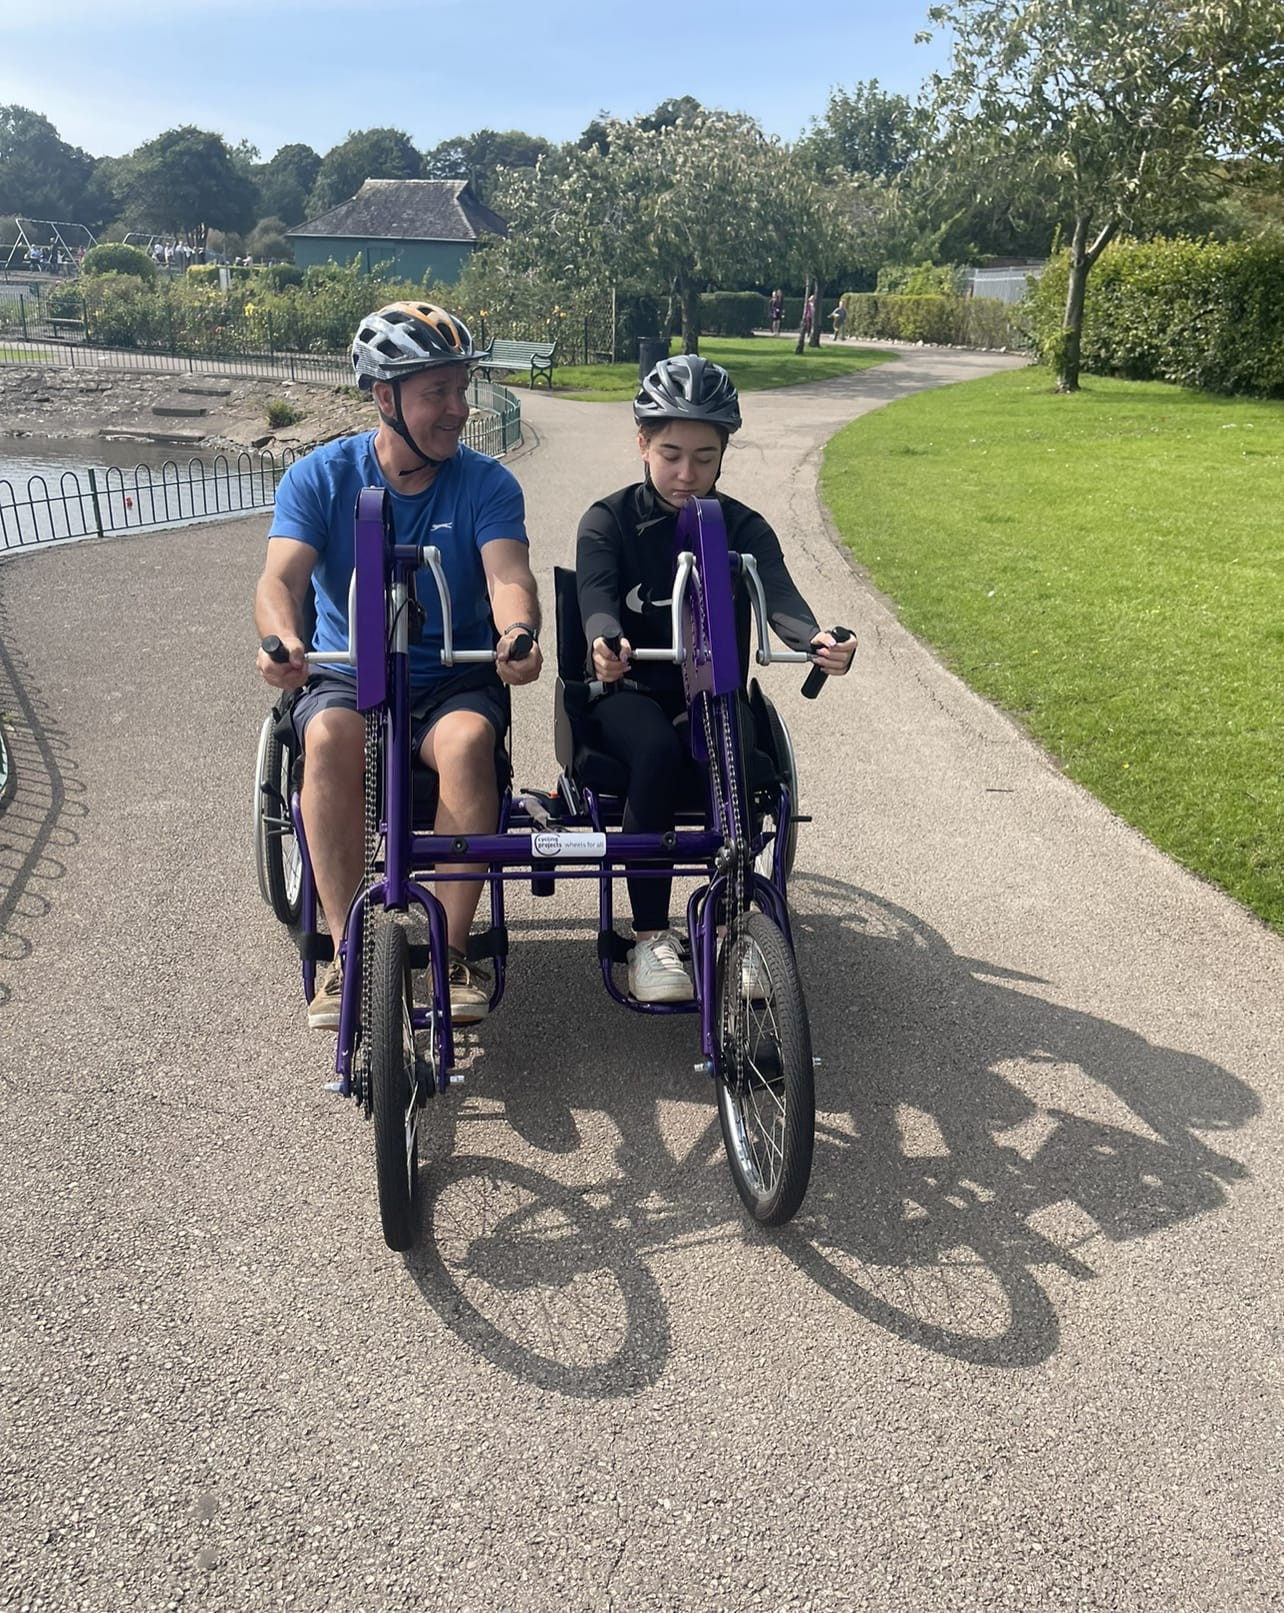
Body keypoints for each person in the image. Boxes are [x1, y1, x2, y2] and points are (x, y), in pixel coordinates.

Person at [255, 302, 543, 1029]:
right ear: (385, 397)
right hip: (349, 674)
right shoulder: (319, 478)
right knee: (327, 738)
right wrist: (282, 639)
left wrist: (517, 630)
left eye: (461, 388)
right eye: (437, 391)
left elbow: (509, 574)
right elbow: (280, 580)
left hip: (450, 677)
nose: (459, 408)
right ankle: (346, 954)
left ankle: (451, 953)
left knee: (469, 744)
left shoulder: (487, 484)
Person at [575, 355, 857, 1003]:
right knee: (654, 750)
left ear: (724, 453)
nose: (687, 473)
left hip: (711, 694)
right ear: (642, 444)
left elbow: (779, 596)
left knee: (734, 748)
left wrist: (815, 639)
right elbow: (596, 595)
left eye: (705, 457)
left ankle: (734, 929)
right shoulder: (608, 520)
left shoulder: (744, 526)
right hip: (628, 694)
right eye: (671, 454)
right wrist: (604, 638)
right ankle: (649, 938)